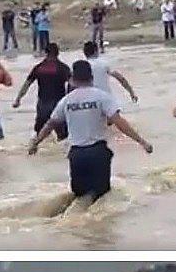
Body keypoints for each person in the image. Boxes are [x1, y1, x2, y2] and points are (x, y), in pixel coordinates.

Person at [29, 60, 153, 203]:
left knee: (80, 197)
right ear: (91, 77)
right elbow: (120, 123)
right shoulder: (101, 97)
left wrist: (35, 143)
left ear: (73, 79)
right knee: (102, 198)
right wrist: (142, 142)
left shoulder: (66, 101)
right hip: (97, 153)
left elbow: (50, 124)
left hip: (76, 155)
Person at [13, 43, 71, 140]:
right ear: (58, 53)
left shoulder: (39, 67)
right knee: (63, 137)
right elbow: (72, 84)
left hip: (43, 105)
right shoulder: (63, 68)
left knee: (39, 135)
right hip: (59, 105)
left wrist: (18, 99)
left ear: (45, 53)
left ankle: (33, 150)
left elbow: (27, 84)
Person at [82, 41, 137, 106]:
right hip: (106, 99)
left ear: (84, 53)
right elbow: (120, 79)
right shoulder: (104, 64)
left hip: (90, 101)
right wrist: (131, 93)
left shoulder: (82, 66)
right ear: (96, 51)